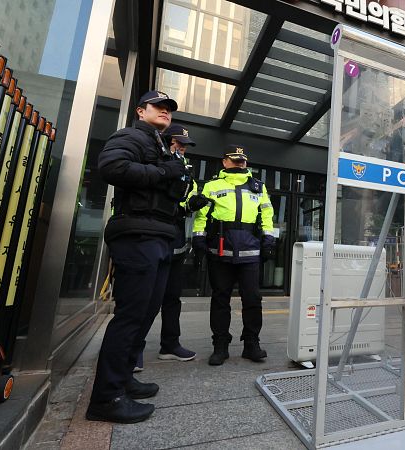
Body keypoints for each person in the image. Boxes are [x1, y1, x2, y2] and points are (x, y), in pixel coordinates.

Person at [86, 90, 190, 424]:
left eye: (169, 109)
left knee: (146, 314)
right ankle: (106, 398)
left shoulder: (161, 145)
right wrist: (162, 173)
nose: (165, 112)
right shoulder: (131, 135)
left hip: (159, 235)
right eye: (159, 107)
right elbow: (112, 166)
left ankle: (124, 378)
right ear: (140, 111)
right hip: (137, 235)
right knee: (130, 316)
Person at [133, 124, 210, 370]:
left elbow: (182, 203)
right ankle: (132, 350)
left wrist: (192, 205)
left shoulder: (187, 170)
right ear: (166, 142)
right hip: (148, 238)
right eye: (179, 143)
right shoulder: (153, 162)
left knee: (172, 298)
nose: (183, 148)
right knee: (143, 298)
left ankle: (170, 345)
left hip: (174, 242)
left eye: (185, 145)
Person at [192, 146, 276, 365]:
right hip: (220, 251)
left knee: (252, 300)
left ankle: (251, 344)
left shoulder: (258, 186)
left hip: (250, 252)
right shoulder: (211, 186)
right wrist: (198, 238)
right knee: (220, 299)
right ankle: (220, 345)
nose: (240, 164)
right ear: (224, 162)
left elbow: (267, 214)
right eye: (235, 160)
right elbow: (201, 216)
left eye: (243, 161)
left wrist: (269, 239)